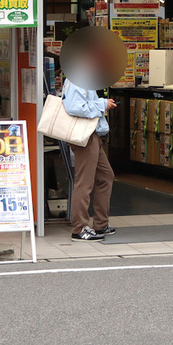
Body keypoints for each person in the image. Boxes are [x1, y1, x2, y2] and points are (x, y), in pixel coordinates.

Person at [61, 77, 117, 241]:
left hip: (91, 135)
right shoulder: (79, 80)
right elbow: (74, 107)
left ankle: (100, 224)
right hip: (85, 136)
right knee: (85, 182)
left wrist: (102, 102)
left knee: (106, 176)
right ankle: (79, 228)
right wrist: (102, 105)